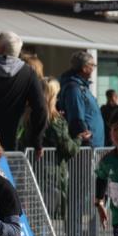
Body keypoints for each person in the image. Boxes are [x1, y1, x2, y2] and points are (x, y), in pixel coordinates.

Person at [23, 77, 81, 220]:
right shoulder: (55, 121)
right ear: (53, 96)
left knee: (35, 216)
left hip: (31, 170)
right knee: (46, 216)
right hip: (51, 174)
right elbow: (69, 149)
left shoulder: (27, 116)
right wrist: (79, 139)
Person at [58, 51, 104, 147]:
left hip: (93, 145)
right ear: (84, 67)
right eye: (92, 65)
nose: (93, 68)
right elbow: (76, 119)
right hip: (87, 147)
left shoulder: (81, 87)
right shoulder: (74, 89)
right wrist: (86, 143)